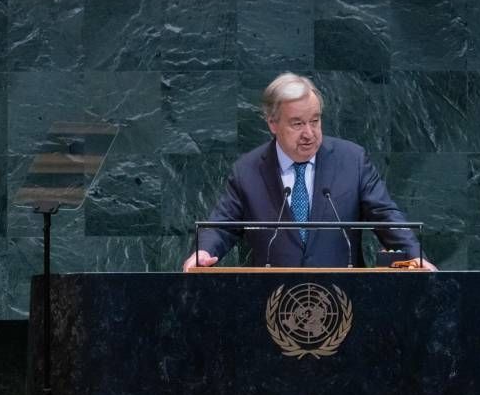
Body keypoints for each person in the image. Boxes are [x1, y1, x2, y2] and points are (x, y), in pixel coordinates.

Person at [183, 73, 436, 271]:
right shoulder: (247, 171)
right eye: (297, 123)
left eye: (315, 121)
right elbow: (221, 226)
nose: (309, 133)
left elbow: (385, 217)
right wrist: (203, 252)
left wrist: (416, 256)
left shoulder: (352, 161)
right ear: (272, 123)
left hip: (344, 299)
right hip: (272, 304)